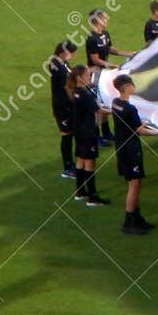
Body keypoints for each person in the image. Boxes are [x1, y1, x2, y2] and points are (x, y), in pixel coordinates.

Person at [108, 75, 158, 235]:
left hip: (121, 147)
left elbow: (131, 124)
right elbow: (140, 130)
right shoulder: (130, 108)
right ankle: (129, 222)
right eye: (132, 85)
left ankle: (137, 217)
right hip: (131, 149)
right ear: (127, 87)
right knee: (134, 184)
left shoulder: (115, 103)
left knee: (134, 182)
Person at [67, 63, 109, 206]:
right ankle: (93, 197)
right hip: (87, 132)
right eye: (87, 75)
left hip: (79, 132)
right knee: (90, 163)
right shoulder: (84, 94)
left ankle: (80, 191)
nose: (89, 76)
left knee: (80, 160)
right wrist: (116, 110)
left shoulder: (76, 92)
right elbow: (99, 110)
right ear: (80, 77)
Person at [47, 39, 79, 179]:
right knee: (66, 136)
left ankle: (72, 163)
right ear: (63, 52)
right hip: (61, 106)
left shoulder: (63, 63)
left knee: (71, 134)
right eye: (71, 53)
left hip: (68, 105)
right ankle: (67, 167)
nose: (73, 55)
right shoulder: (55, 65)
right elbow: (67, 82)